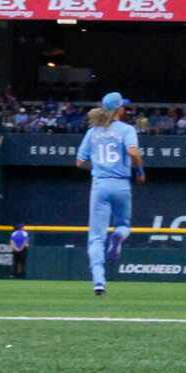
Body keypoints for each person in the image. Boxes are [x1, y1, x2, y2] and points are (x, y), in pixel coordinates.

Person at [75, 92, 144, 297]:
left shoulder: (92, 132)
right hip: (121, 183)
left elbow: (79, 162)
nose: (125, 109)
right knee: (124, 225)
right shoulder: (127, 129)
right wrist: (140, 171)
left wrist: (98, 167)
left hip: (100, 185)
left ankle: (99, 282)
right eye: (123, 106)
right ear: (118, 110)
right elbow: (133, 152)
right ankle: (119, 236)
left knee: (96, 238)